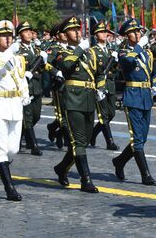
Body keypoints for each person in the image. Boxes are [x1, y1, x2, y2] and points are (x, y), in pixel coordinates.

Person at [0, 20, 32, 201]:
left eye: (10, 35)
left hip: (15, 105)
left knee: (14, 150)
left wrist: (25, 94)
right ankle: (10, 189)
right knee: (2, 150)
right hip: (0, 105)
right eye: (4, 36)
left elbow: (21, 79)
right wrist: (9, 54)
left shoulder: (19, 59)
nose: (8, 39)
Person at [52, 16, 100, 193]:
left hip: (89, 98)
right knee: (78, 141)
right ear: (65, 34)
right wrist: (80, 48)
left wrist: (100, 86)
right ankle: (85, 180)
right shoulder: (63, 52)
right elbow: (66, 65)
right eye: (73, 30)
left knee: (84, 141)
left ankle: (62, 167)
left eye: (78, 29)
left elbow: (100, 72)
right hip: (73, 99)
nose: (77, 32)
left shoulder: (89, 53)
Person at [112, 19, 156, 186]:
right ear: (127, 35)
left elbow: (154, 73)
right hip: (132, 96)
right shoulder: (123, 52)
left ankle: (119, 161)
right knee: (137, 138)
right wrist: (139, 47)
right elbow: (130, 62)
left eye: (139, 31)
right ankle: (145, 175)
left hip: (146, 96)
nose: (137, 34)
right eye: (133, 32)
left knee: (142, 138)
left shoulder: (148, 53)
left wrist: (155, 85)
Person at [17, 21, 53, 156]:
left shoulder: (37, 50)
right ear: (20, 34)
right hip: (25, 86)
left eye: (30, 31)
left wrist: (43, 61)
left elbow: (42, 68)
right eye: (25, 31)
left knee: (36, 115)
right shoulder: (18, 49)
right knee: (27, 116)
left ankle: (18, 138)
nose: (28, 34)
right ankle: (34, 145)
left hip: (36, 86)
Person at [89, 21, 119, 150]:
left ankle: (93, 134)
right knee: (103, 115)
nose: (105, 34)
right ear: (96, 35)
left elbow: (116, 70)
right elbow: (95, 70)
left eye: (105, 32)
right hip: (100, 85)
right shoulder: (93, 51)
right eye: (101, 32)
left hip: (110, 84)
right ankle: (110, 142)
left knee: (111, 113)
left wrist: (116, 62)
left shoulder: (111, 50)